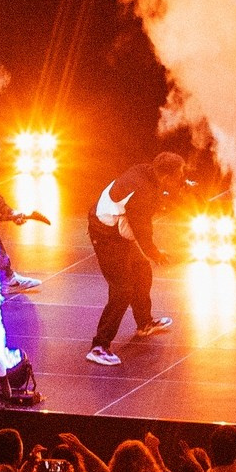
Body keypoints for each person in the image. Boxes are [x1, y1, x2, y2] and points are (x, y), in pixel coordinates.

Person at [86, 151, 186, 366]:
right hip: (105, 235)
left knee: (142, 271)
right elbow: (141, 231)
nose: (182, 177)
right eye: (179, 174)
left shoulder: (145, 170)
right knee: (122, 289)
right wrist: (155, 254)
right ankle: (99, 346)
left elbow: (155, 197)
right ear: (167, 176)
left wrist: (180, 188)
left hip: (120, 232)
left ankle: (144, 323)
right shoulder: (142, 192)